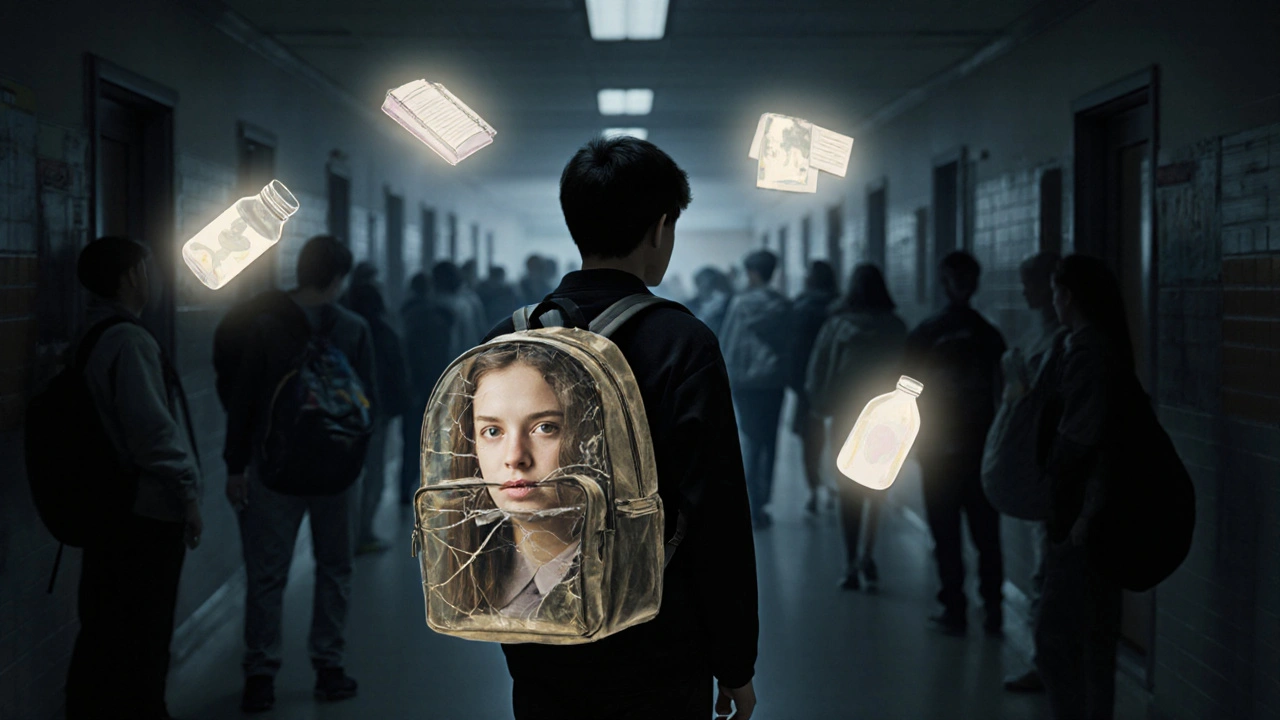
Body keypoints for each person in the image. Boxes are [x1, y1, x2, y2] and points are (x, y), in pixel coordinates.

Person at [482, 136, 758, 720]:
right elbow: (717, 514)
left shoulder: (505, 341)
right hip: (655, 641)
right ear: (660, 228)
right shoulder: (683, 343)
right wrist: (735, 662)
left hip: (537, 629)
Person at [223, 235, 375, 713]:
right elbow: (369, 401)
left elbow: (244, 401)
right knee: (336, 568)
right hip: (337, 472)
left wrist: (235, 466)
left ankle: (261, 675)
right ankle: (328, 668)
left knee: (267, 575)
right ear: (336, 279)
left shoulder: (265, 325)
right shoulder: (353, 328)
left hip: (273, 470)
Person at [64, 237, 203, 720]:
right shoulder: (128, 340)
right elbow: (153, 435)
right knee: (144, 631)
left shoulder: (89, 333)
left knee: (104, 625)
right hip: (142, 512)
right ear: (132, 277)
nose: (159, 279)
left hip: (108, 507)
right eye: (151, 267)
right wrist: (188, 494)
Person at [434, 343, 606, 619]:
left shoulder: (618, 582)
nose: (515, 457)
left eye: (545, 428)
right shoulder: (471, 578)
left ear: (589, 438)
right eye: (492, 431)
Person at [1035, 255, 1129, 719]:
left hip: (1082, 516)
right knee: (1094, 636)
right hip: (1098, 511)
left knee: (1055, 636)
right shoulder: (1101, 347)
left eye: (1055, 292)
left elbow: (1077, 439)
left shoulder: (1087, 354)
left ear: (1067, 296)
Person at [903, 250, 1007, 635]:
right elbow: (1003, 396)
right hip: (981, 449)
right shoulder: (990, 335)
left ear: (944, 283)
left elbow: (905, 394)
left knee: (945, 533)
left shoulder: (926, 334)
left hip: (938, 451)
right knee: (986, 535)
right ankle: (993, 608)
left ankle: (955, 608)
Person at [805, 264, 907, 590]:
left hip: (848, 416)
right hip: (887, 420)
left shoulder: (837, 327)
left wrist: (819, 408)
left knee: (848, 490)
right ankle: (868, 553)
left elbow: (818, 370)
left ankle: (849, 562)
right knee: (876, 489)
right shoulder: (896, 327)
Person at [1002, 251, 1064, 693]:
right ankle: (1045, 659)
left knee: (1048, 570)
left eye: (1032, 284)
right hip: (1038, 465)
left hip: (1051, 469)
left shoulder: (1062, 342)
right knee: (1042, 568)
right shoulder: (1040, 335)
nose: (1024, 292)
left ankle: (1047, 663)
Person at [719, 250, 791, 530]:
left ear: (753, 273)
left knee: (749, 440)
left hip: (746, 383)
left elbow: (730, 341)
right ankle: (763, 502)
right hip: (773, 381)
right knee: (770, 439)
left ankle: (750, 502)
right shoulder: (784, 306)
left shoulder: (741, 304)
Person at [347, 282, 411, 554]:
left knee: (350, 478)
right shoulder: (384, 332)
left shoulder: (341, 328)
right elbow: (397, 372)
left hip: (342, 415)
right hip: (376, 413)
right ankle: (363, 534)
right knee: (374, 476)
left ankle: (349, 534)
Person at [787, 260, 839, 516]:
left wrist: (795, 383)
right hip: (838, 384)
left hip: (807, 384)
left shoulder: (800, 307)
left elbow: (794, 349)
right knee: (838, 438)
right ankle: (836, 486)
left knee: (810, 441)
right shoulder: (840, 307)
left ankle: (814, 491)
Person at [400, 272, 457, 504]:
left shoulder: (407, 315)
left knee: (412, 442)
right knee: (439, 439)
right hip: (438, 385)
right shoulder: (441, 317)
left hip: (414, 388)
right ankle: (433, 489)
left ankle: (407, 490)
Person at [434, 260, 486, 358]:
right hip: (469, 357)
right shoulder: (469, 300)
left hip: (451, 362)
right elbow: (480, 330)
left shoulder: (441, 306)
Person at [686, 266, 734, 336]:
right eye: (700, 282)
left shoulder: (725, 302)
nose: (703, 286)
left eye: (707, 283)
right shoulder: (690, 305)